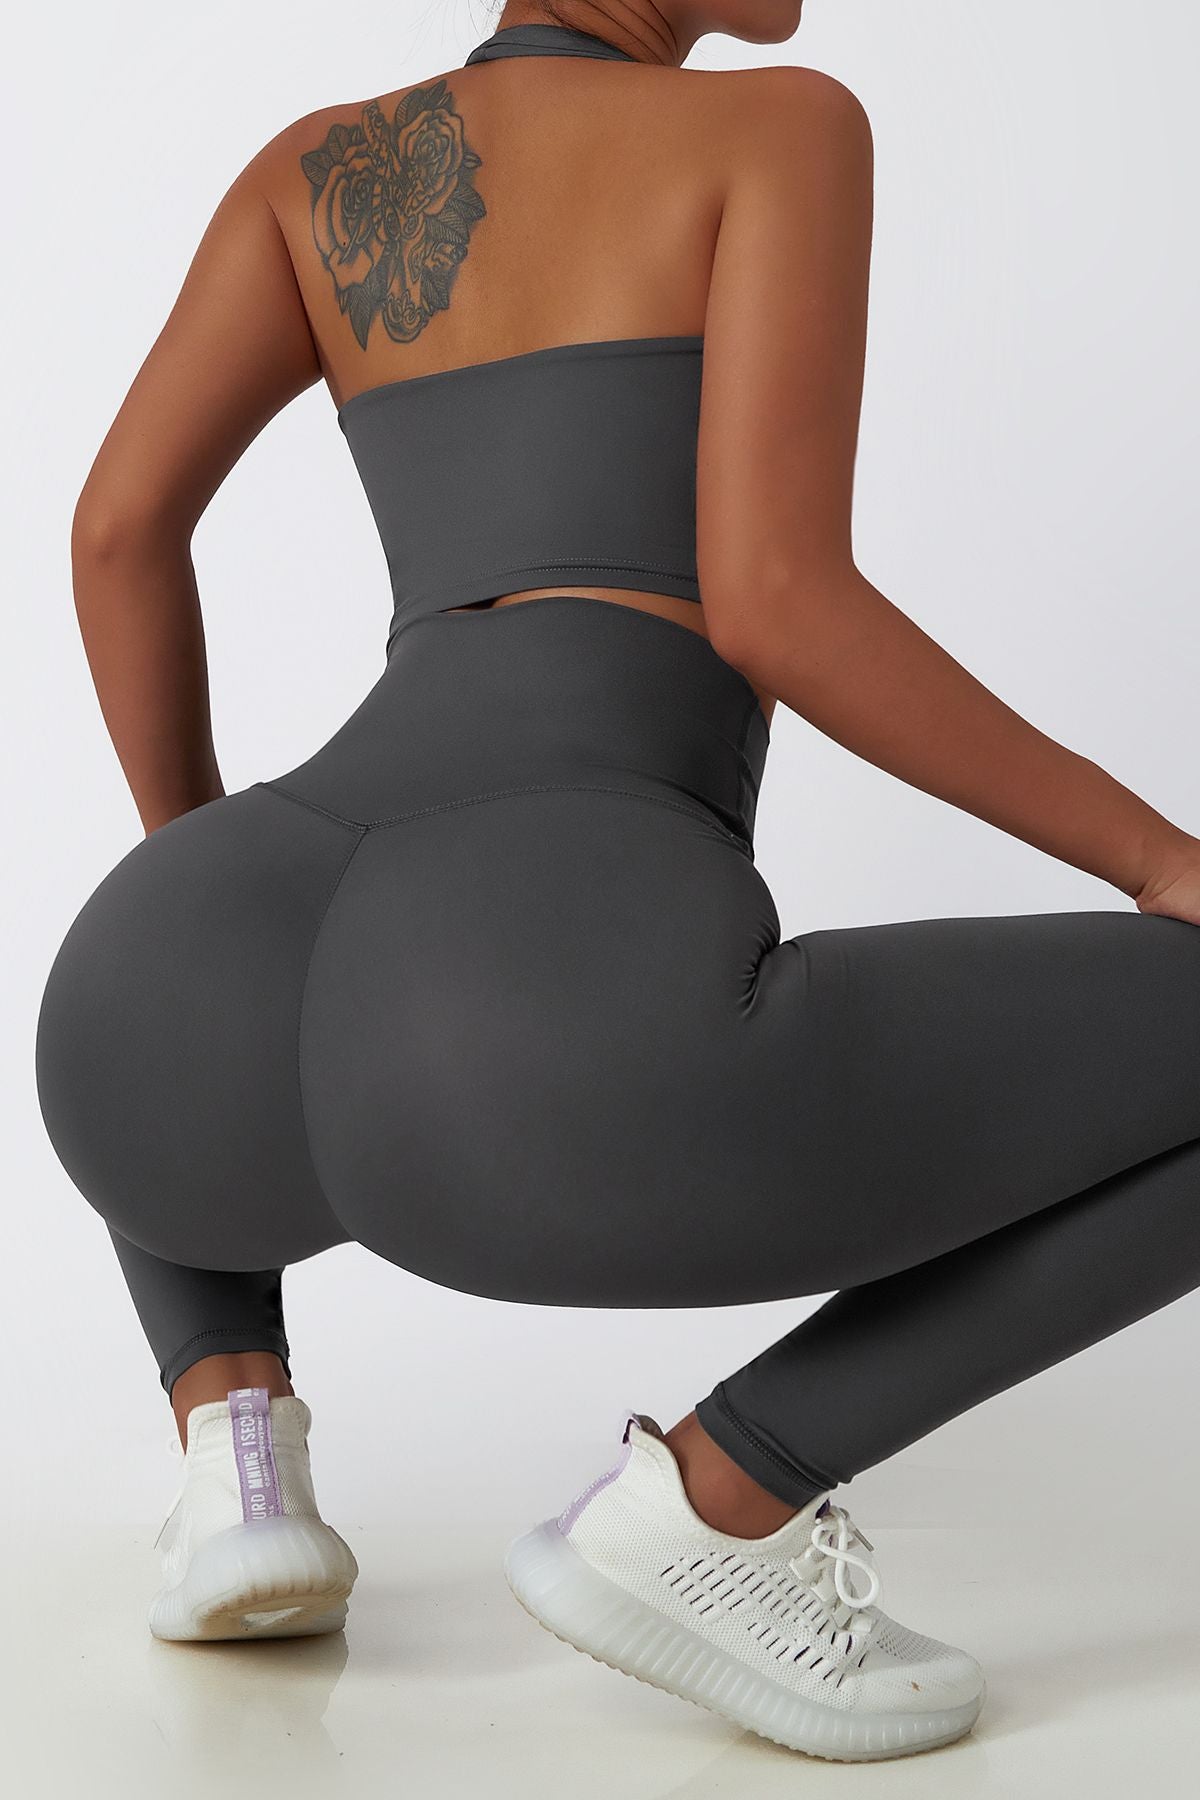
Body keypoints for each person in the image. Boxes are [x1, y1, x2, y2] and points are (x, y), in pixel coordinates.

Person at [33, 0, 1200, 1764]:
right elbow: (778, 602)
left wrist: (202, 890)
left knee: (192, 1020)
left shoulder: (320, 173)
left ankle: (236, 1453)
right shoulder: (777, 129)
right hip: (546, 1007)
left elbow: (118, 529)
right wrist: (1160, 855)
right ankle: (719, 1506)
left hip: (165, 993)